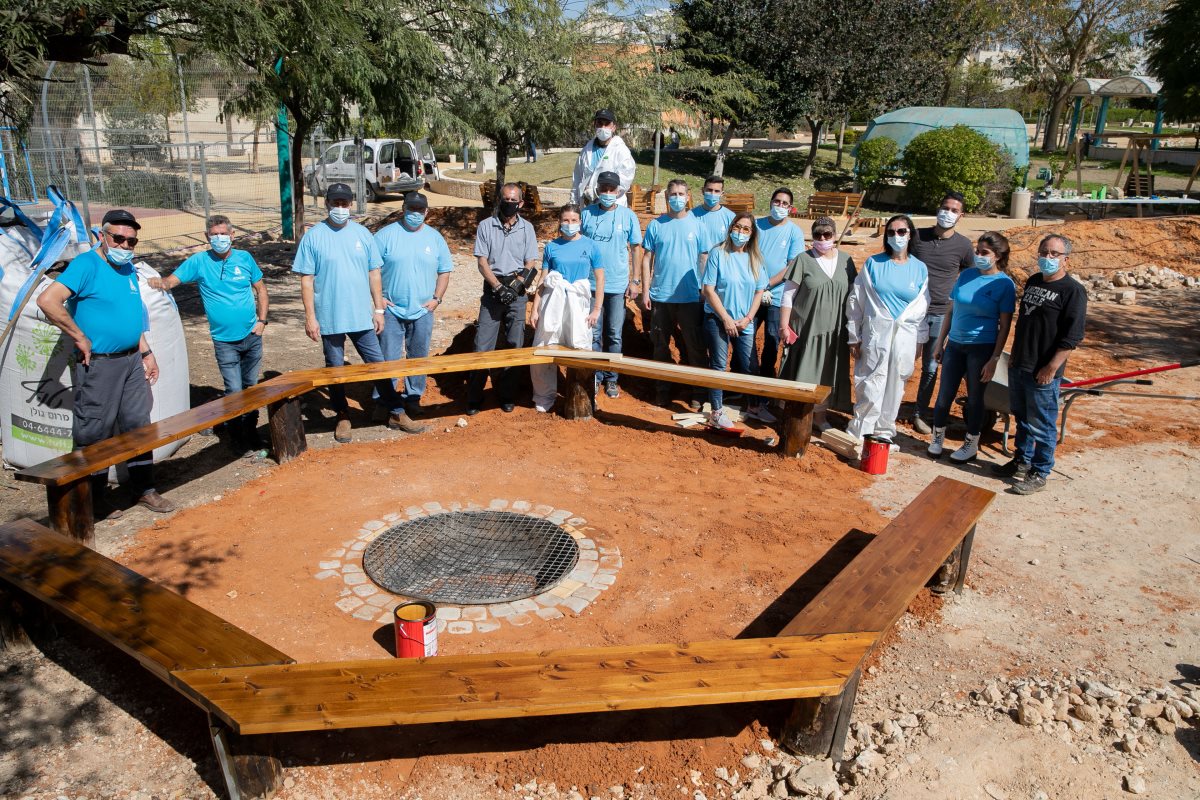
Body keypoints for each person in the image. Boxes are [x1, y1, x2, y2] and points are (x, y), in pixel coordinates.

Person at [36, 209, 174, 517]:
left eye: (131, 241)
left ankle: (144, 488)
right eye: (118, 238)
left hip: (131, 361)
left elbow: (129, 313)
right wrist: (78, 336)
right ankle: (92, 499)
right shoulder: (86, 265)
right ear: (102, 235)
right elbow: (47, 300)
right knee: (94, 431)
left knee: (138, 424)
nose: (125, 246)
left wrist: (146, 352)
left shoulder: (127, 269)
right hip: (99, 365)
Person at [148, 215, 269, 456]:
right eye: (214, 234)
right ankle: (236, 436)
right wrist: (154, 282)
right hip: (224, 340)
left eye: (223, 234)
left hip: (251, 335)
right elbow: (170, 282)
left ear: (232, 235)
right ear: (207, 237)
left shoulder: (245, 258)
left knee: (251, 388)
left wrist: (262, 321)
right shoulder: (199, 262)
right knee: (234, 389)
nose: (219, 238)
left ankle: (251, 432)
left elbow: (261, 289)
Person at [292, 182, 397, 443]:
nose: (340, 207)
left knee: (378, 364)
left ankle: (396, 410)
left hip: (361, 315)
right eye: (335, 203)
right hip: (330, 317)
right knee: (335, 368)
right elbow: (306, 280)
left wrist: (379, 309)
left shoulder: (363, 234)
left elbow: (374, 273)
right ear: (327, 203)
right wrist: (310, 317)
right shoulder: (314, 237)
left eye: (344, 203)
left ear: (351, 204)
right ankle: (342, 415)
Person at [993, 234, 1087, 495]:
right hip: (1020, 363)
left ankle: (1040, 471)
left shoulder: (1073, 291)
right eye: (1044, 252)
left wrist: (1052, 367)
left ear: (1066, 259)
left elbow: (1072, 336)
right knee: (1022, 417)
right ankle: (1021, 461)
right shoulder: (1034, 281)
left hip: (1043, 369)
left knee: (1042, 423)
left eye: (1054, 254)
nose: (1047, 257)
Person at [927, 232, 1017, 463]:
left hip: (981, 348)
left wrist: (994, 358)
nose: (978, 256)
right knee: (944, 395)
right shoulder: (966, 275)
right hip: (955, 345)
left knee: (976, 398)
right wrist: (940, 342)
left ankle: (971, 444)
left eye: (984, 252)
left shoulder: (1004, 285)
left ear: (998, 256)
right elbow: (951, 311)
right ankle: (937, 438)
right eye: (977, 251)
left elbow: (1004, 326)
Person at [845, 214, 929, 445]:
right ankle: (862, 430)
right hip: (876, 333)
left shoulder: (920, 268)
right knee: (870, 381)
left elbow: (922, 308)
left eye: (901, 231)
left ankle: (884, 431)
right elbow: (856, 300)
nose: (896, 236)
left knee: (896, 383)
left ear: (910, 235)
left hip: (904, 338)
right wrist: (853, 336)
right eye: (891, 232)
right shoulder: (874, 264)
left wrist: (920, 340)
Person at [374, 192, 453, 432]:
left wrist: (436, 299)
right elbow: (372, 269)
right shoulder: (385, 235)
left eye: (420, 210)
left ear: (426, 212)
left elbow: (444, 271)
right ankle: (384, 401)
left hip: (423, 310)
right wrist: (379, 300)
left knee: (418, 356)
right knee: (388, 357)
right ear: (403, 208)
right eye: (411, 208)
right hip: (391, 309)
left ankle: (413, 398)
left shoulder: (435, 238)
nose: (415, 213)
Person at [641, 178, 716, 408]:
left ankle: (699, 392)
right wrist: (645, 291)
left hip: (690, 297)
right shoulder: (656, 225)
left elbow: (704, 259)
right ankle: (662, 390)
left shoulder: (698, 225)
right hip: (661, 297)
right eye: (673, 194)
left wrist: (704, 289)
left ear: (688, 196)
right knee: (660, 346)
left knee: (695, 346)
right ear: (666, 197)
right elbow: (647, 259)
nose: (677, 198)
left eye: (681, 194)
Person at [778, 215, 857, 431]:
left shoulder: (846, 261)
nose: (822, 238)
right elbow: (787, 296)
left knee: (826, 373)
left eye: (827, 234)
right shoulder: (803, 260)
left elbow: (854, 296)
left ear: (834, 235)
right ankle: (796, 418)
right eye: (817, 234)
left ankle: (820, 417)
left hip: (835, 331)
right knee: (804, 372)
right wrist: (784, 326)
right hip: (807, 330)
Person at [467, 182, 540, 414]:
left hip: (516, 292)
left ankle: (507, 395)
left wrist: (517, 285)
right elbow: (482, 262)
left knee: (514, 345)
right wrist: (498, 287)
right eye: (505, 199)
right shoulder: (486, 226)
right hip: (493, 291)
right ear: (500, 200)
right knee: (482, 345)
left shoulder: (527, 228)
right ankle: (474, 396)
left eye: (513, 200)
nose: (509, 204)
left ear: (521, 203)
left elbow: (531, 262)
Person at [908, 192, 976, 433]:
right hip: (911, 312)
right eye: (945, 208)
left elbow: (970, 274)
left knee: (930, 366)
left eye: (954, 210)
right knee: (901, 360)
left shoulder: (964, 246)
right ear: (938, 209)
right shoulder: (917, 237)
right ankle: (888, 406)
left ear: (961, 216)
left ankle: (920, 412)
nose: (948, 213)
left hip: (940, 314)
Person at [530, 205, 604, 412]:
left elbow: (600, 278)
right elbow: (543, 280)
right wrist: (535, 309)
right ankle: (544, 396)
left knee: (582, 349)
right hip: (553, 302)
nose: (569, 224)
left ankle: (587, 395)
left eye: (573, 220)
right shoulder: (551, 247)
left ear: (580, 222)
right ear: (560, 222)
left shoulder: (591, 245)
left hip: (578, 303)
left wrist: (596, 308)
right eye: (565, 220)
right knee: (544, 349)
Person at [701, 212, 768, 429]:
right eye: (737, 227)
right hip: (718, 318)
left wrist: (748, 318)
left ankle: (754, 406)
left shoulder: (755, 258)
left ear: (752, 233)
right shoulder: (718, 253)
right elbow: (708, 289)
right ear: (731, 229)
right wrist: (726, 318)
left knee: (750, 365)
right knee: (718, 365)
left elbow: (759, 291)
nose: (740, 232)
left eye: (746, 229)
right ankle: (716, 412)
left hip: (744, 321)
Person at [581, 170, 643, 398]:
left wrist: (635, 280)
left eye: (611, 189)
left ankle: (612, 378)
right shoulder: (586, 214)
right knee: (594, 333)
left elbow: (636, 249)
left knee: (615, 333)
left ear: (618, 191)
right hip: (590, 285)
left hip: (617, 285)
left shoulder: (628, 216)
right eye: (603, 188)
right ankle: (595, 376)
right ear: (597, 190)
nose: (607, 192)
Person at [753, 188, 805, 397]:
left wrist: (767, 284)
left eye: (785, 203)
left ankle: (765, 383)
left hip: (777, 295)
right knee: (745, 337)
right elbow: (747, 255)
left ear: (790, 208)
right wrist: (758, 285)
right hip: (753, 293)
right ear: (770, 202)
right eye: (777, 201)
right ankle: (744, 377)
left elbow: (792, 265)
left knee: (772, 340)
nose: (780, 206)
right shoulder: (756, 225)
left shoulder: (794, 232)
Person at [570, 109, 637, 207]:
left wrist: (597, 192)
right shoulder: (586, 151)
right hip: (588, 205)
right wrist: (573, 204)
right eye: (600, 124)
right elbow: (577, 179)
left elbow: (624, 181)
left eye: (607, 124)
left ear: (614, 127)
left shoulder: (621, 151)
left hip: (612, 206)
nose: (603, 127)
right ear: (594, 125)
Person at [690, 175, 736, 246]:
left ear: (722, 194)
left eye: (717, 191)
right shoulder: (691, 215)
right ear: (703, 191)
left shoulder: (731, 217)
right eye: (709, 190)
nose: (712, 194)